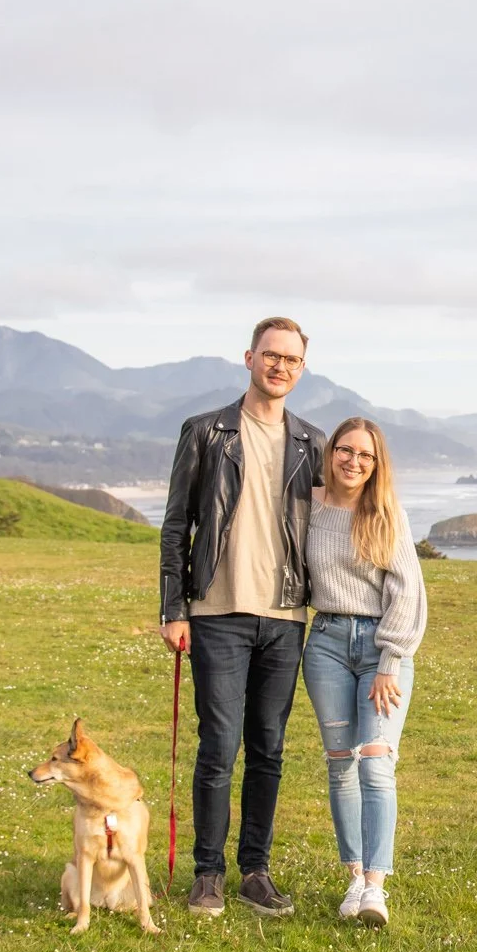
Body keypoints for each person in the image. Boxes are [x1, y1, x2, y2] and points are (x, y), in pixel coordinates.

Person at [160, 317, 326, 918]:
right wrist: (172, 608)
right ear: (249, 357)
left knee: (269, 748)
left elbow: (335, 524)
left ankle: (255, 869)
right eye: (271, 355)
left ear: (301, 370)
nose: (280, 367)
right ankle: (208, 874)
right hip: (216, 612)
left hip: (285, 617)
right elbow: (178, 525)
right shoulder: (206, 432)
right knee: (218, 746)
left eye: (292, 360)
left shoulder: (313, 442)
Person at [301, 415, 426, 926]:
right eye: (345, 451)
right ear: (331, 453)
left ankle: (376, 887)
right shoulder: (308, 506)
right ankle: (352, 877)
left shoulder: (386, 512)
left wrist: (389, 662)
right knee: (340, 764)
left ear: (377, 465)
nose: (354, 461)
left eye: (366, 455)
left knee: (376, 762)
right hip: (325, 644)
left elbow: (408, 591)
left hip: (380, 649)